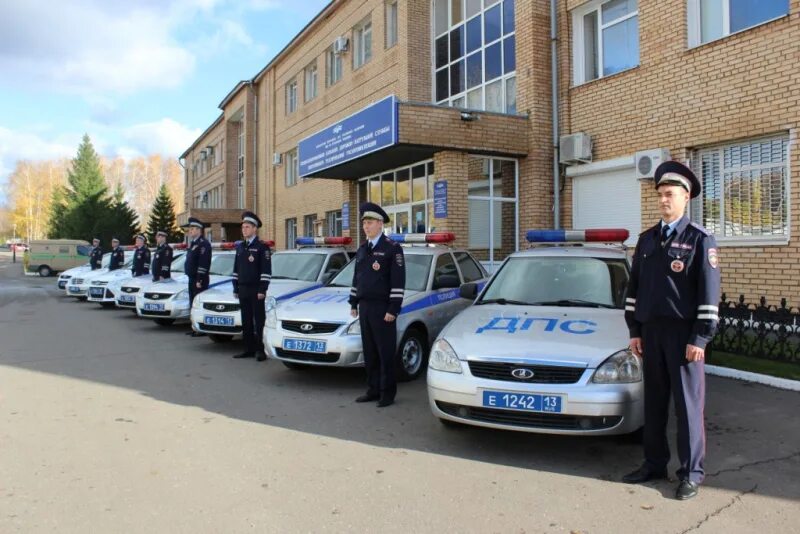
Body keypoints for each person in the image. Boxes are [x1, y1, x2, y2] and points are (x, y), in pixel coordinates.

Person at [622, 160, 721, 501]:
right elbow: (633, 291)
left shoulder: (700, 240)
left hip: (683, 338)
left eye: (670, 194)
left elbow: (709, 297)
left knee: (688, 407)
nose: (664, 200)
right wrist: (634, 330)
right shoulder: (647, 239)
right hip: (650, 335)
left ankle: (691, 473)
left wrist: (700, 338)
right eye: (660, 195)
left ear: (685, 197)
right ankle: (654, 464)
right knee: (655, 404)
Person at [348, 202, 406, 408]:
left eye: (370, 222)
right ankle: (372, 389)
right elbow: (357, 279)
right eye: (364, 223)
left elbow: (398, 282)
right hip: (364, 307)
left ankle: (387, 393)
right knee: (370, 352)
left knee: (385, 352)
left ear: (380, 224)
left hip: (383, 309)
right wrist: (353, 301)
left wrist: (393, 309)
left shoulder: (392, 248)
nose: (366, 226)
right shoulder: (363, 249)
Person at [232, 211, 271, 361]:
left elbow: (266, 271)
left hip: (256, 290)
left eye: (247, 227)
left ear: (255, 229)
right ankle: (248, 348)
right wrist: (235, 287)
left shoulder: (262, 248)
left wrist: (263, 289)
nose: (244, 230)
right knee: (246, 320)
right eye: (243, 227)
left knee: (259, 321)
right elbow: (236, 269)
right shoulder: (241, 247)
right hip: (243, 289)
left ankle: (260, 350)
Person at [182, 217, 212, 337]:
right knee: (192, 303)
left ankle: (200, 329)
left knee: (197, 304)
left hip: (199, 279)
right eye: (190, 229)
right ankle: (194, 327)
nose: (190, 231)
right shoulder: (194, 243)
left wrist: (199, 279)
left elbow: (203, 263)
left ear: (199, 230)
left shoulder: (203, 244)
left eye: (193, 229)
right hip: (192, 278)